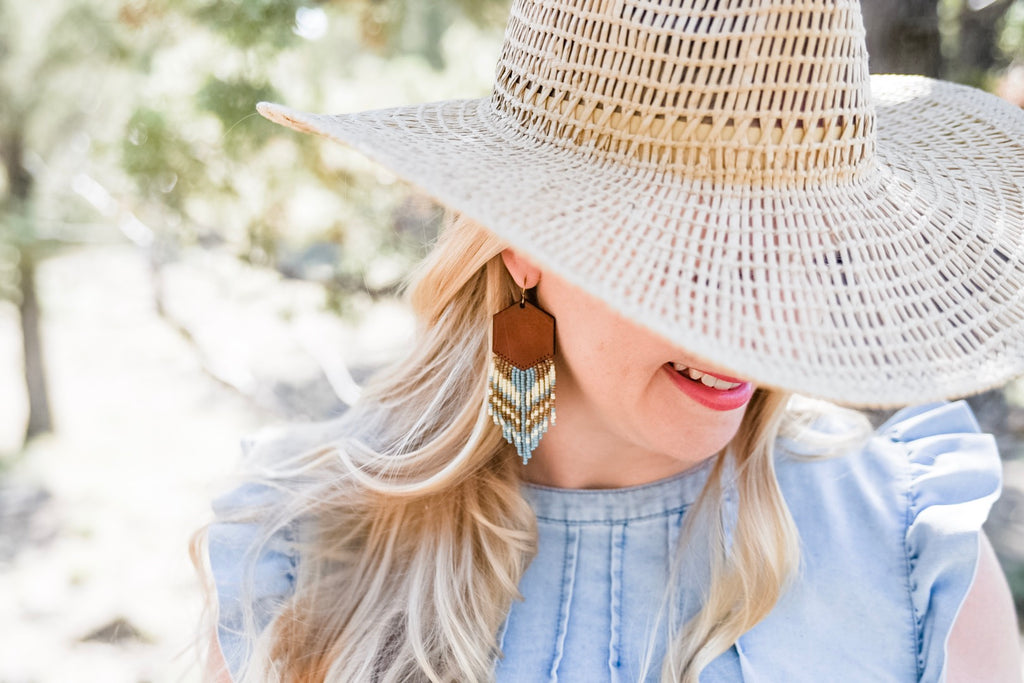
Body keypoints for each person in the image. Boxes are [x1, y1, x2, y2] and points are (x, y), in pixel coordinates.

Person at [194, 1, 1024, 681]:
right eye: (699, 244)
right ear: (524, 237)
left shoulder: (920, 563)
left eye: (799, 242)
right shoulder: (297, 557)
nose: (759, 313)